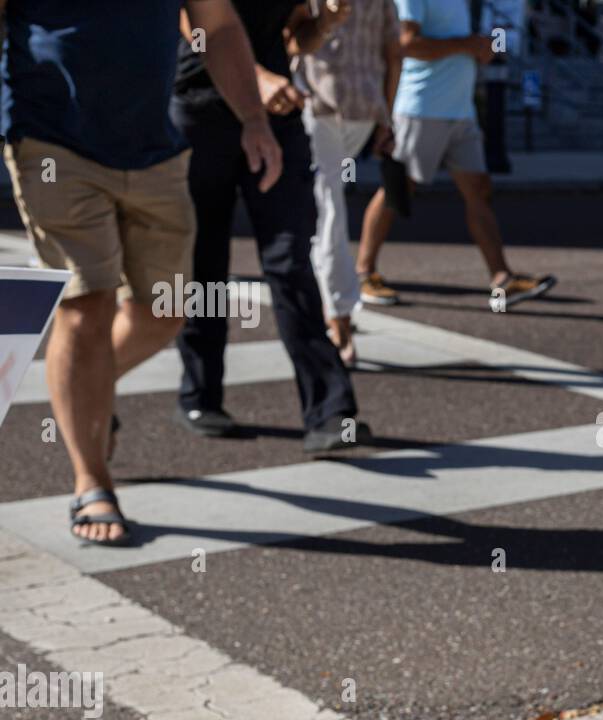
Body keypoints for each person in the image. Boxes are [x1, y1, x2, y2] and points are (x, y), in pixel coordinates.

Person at [1, 0, 279, 546]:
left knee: (166, 313)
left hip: (155, 148)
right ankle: (91, 481)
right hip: (51, 139)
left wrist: (253, 117)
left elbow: (217, 26)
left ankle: (87, 394)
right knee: (87, 303)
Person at [171, 0, 370, 452]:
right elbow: (195, 24)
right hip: (202, 110)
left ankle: (330, 410)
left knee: (289, 257)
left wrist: (325, 23)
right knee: (205, 262)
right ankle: (200, 395)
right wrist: (256, 82)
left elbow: (295, 35)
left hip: (276, 114)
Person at [355, 0, 557, 311]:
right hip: (422, 108)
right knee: (398, 189)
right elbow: (406, 44)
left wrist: (478, 49)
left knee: (479, 190)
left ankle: (502, 278)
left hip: (460, 110)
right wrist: (468, 44)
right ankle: (364, 273)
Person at [299, 0, 402, 366]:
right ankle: (332, 305)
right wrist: (386, 117)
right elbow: (394, 54)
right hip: (361, 106)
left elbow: (293, 40)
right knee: (327, 203)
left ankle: (338, 317)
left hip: (320, 102)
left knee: (328, 207)